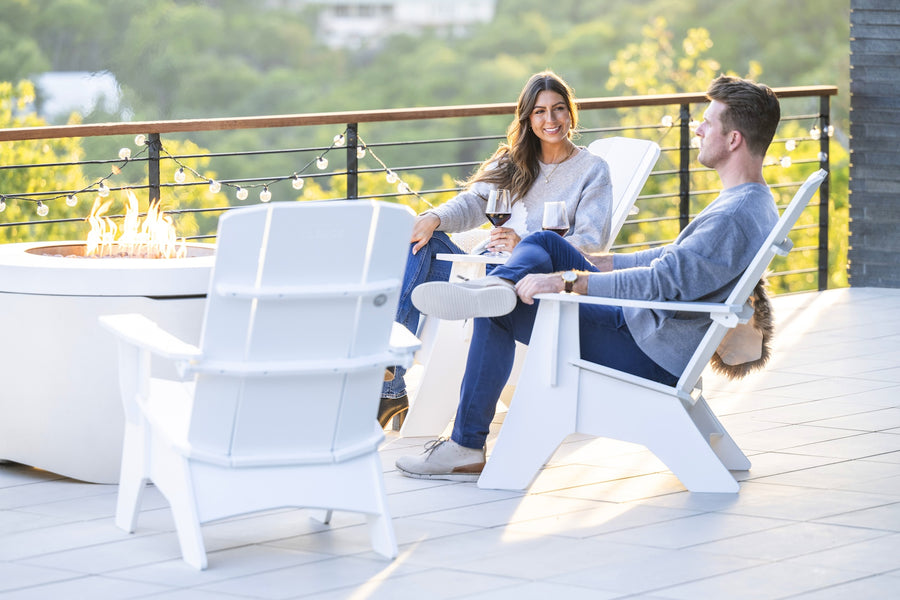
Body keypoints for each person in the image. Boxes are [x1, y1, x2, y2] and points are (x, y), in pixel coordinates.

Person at [396, 75, 782, 480]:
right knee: (544, 242)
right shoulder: (747, 203)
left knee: (499, 311)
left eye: (708, 121)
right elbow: (669, 260)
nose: (698, 128)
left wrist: (567, 282)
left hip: (646, 351)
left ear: (734, 139)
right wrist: (602, 264)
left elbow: (662, 282)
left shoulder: (733, 217)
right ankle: (498, 287)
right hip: (645, 330)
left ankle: (466, 444)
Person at [379, 70, 614, 427]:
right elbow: (473, 203)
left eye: (558, 109)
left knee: (432, 265)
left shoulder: (592, 170)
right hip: (484, 270)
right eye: (539, 111)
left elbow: (589, 243)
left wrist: (525, 245)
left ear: (571, 113)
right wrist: (432, 218)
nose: (550, 120)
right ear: (527, 118)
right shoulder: (513, 161)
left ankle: (388, 387)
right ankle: (392, 386)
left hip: (530, 280)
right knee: (419, 245)